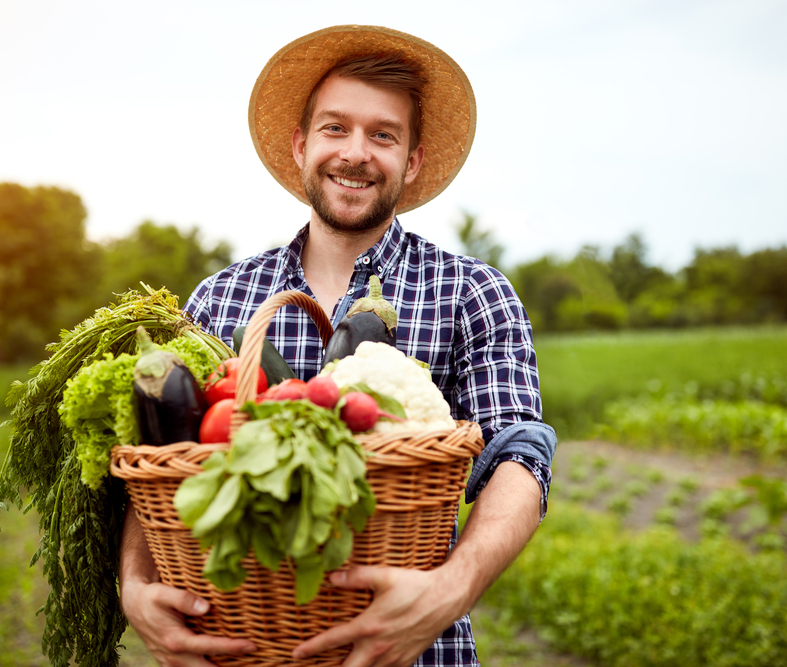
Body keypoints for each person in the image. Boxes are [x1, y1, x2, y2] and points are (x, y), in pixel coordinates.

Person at [119, 25, 556, 667]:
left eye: (383, 134)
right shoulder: (219, 299)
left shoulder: (472, 291)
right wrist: (136, 585)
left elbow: (520, 453)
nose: (355, 153)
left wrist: (450, 591)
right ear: (301, 146)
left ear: (411, 160)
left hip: (414, 651)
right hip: (239, 644)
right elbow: (156, 461)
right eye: (334, 128)